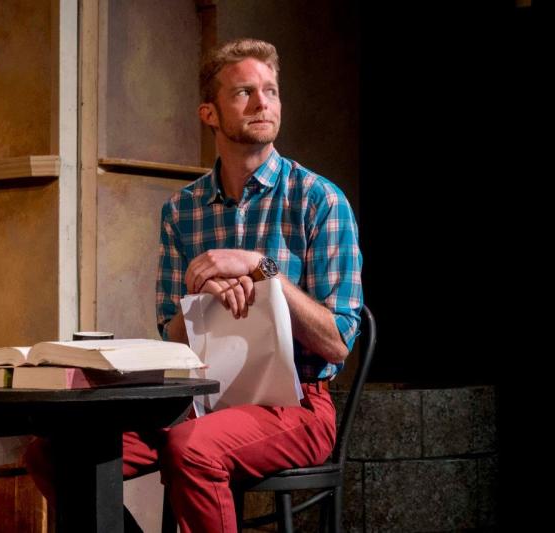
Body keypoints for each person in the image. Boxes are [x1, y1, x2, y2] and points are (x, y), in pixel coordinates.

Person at [25, 38, 363, 533]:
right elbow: (173, 341)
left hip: (297, 403)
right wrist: (201, 296)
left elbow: (338, 341)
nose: (262, 103)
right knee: (52, 454)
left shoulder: (318, 200)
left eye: (271, 91)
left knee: (193, 449)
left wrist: (261, 268)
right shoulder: (181, 211)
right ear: (209, 112)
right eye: (244, 92)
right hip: (200, 397)